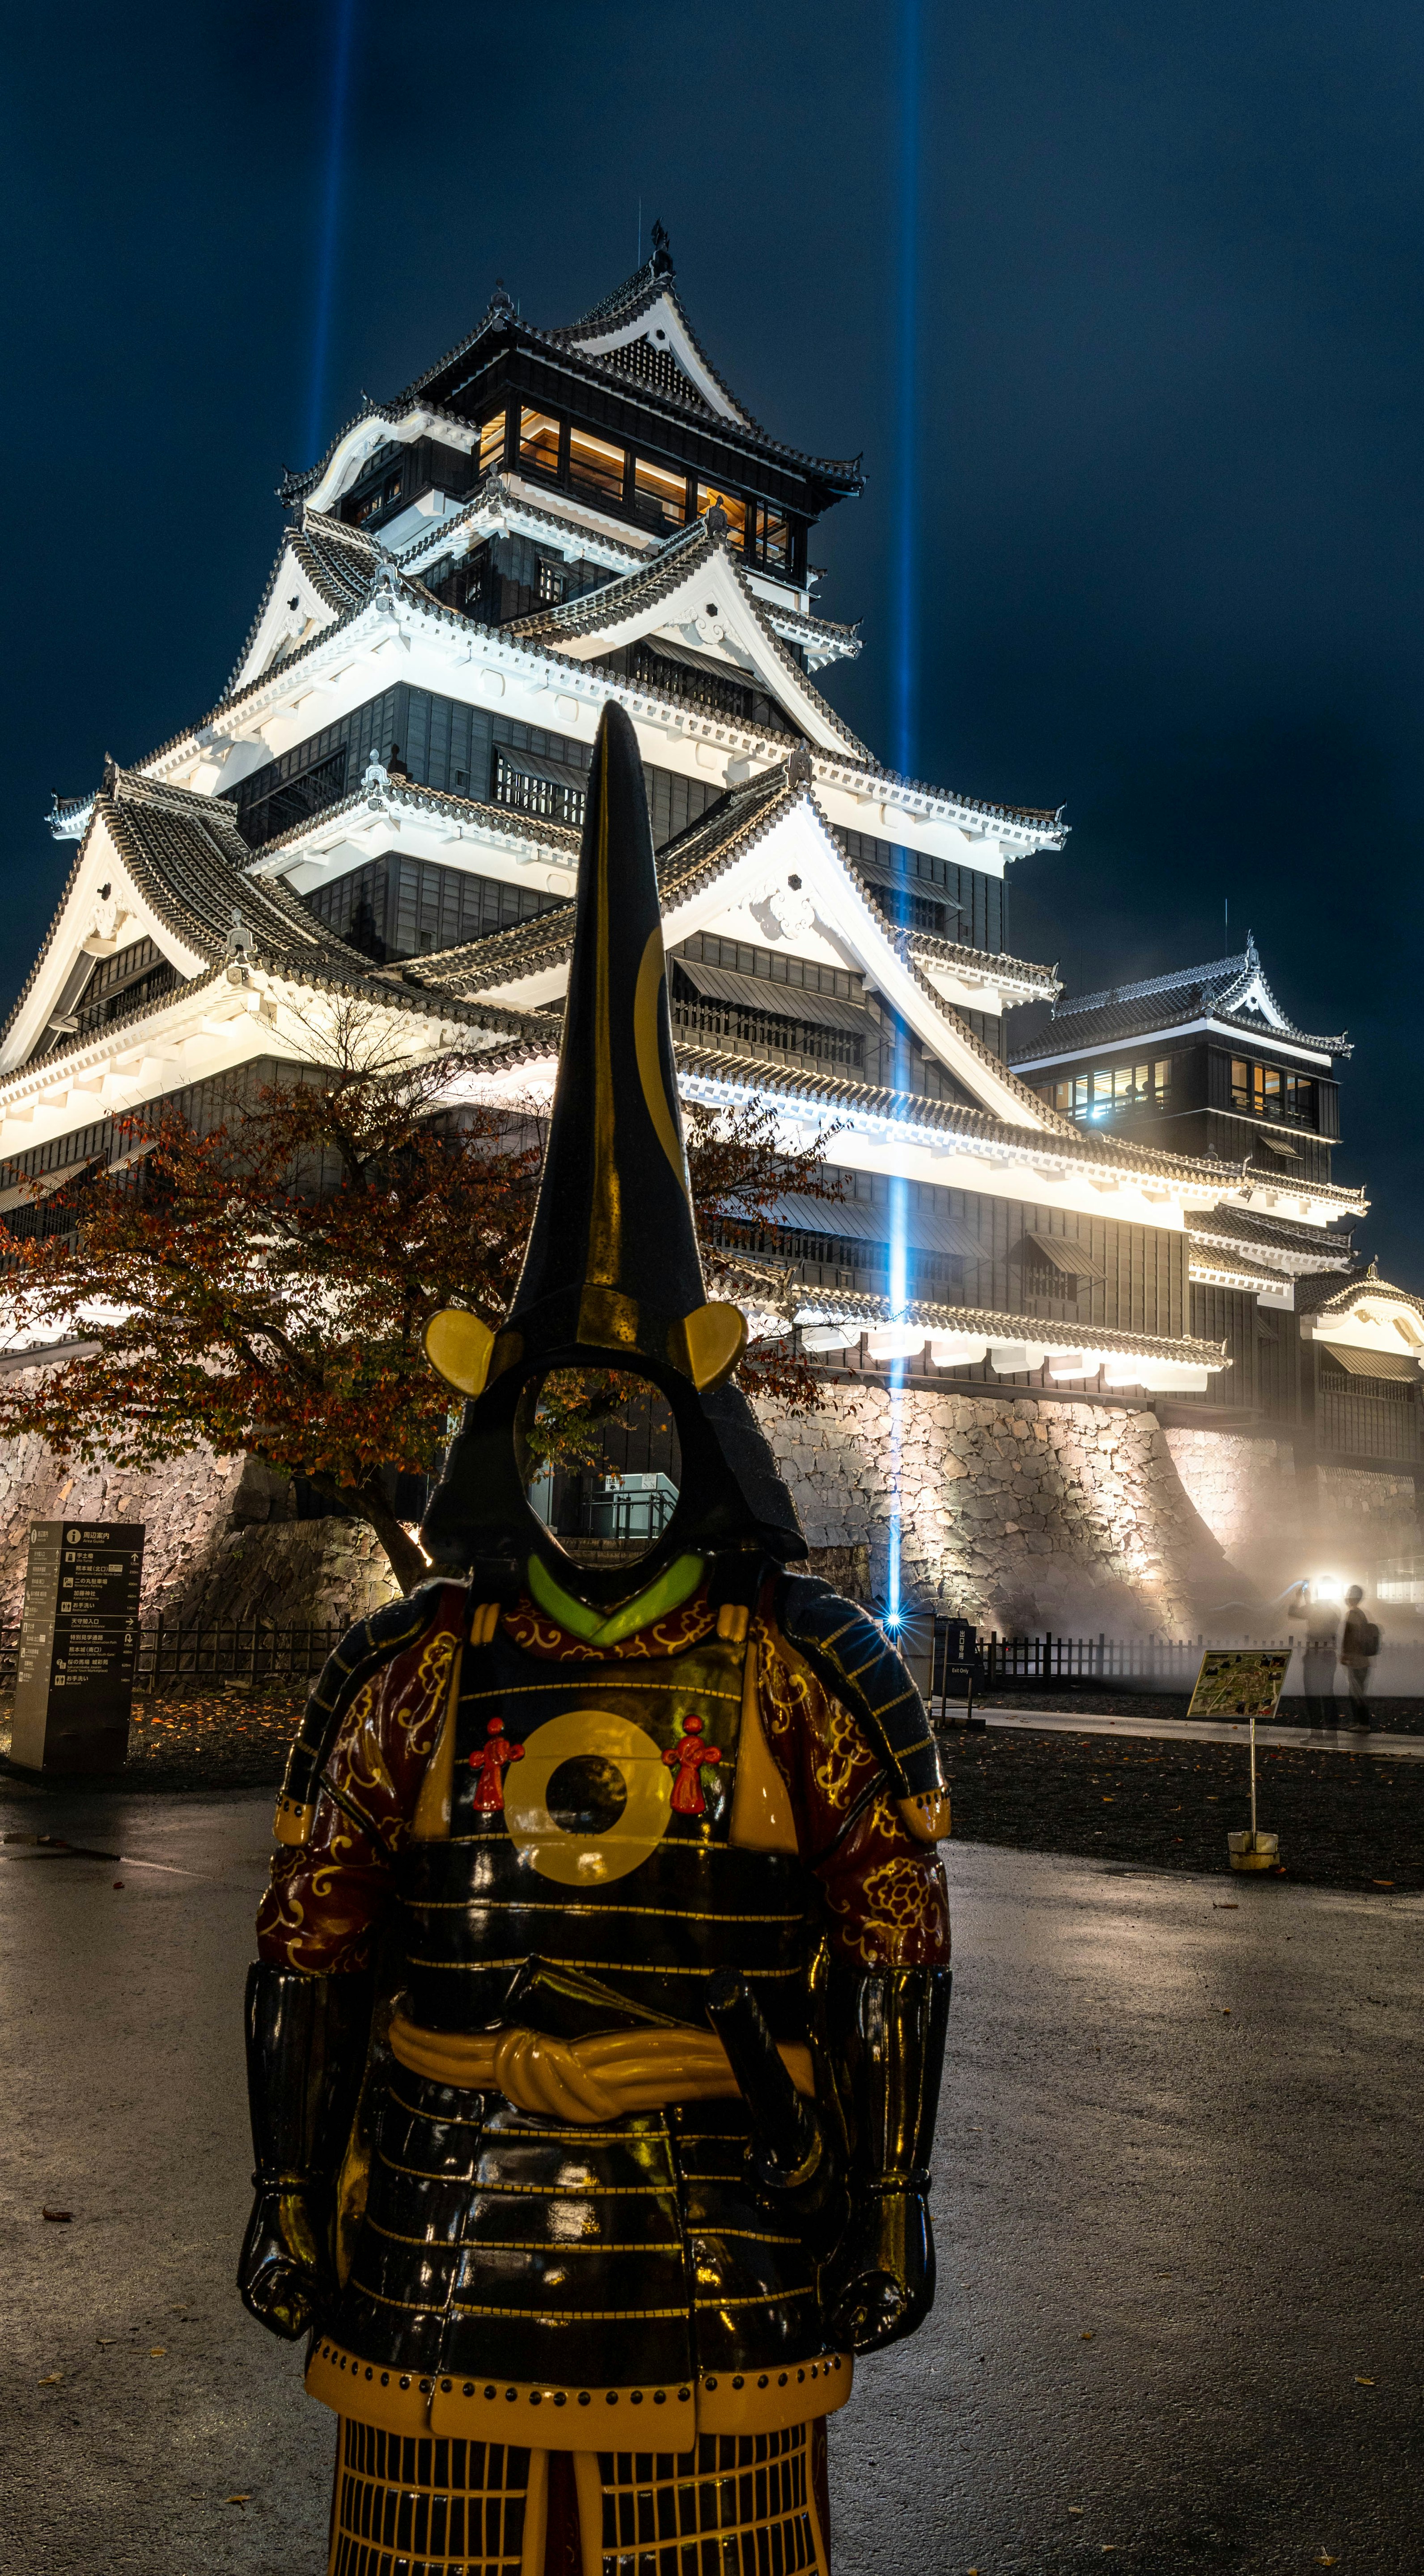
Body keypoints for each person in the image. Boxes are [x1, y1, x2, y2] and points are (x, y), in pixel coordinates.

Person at [236, 704, 951, 2574]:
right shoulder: (411, 1670)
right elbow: (313, 1943)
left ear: (702, 1430)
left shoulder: (804, 1664)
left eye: (629, 1428)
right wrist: (286, 2187)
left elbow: (890, 1950)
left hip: (717, 2209)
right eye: (558, 1427)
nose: (594, 1464)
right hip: (441, 2223)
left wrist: (888, 2201)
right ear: (503, 1429)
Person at [1287, 1582, 1341, 1728]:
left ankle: (1316, 1724)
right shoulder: (1335, 1610)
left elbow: (1293, 1612)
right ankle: (1331, 1722)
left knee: (1312, 1691)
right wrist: (1308, 1601)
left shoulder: (1314, 1609)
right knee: (1327, 1690)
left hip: (1315, 1654)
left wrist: (1300, 1598)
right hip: (1328, 1655)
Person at [1339, 1584, 1381, 1729]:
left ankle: (1363, 1723)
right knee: (1358, 1691)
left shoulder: (1352, 1614)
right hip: (1364, 1660)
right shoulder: (1362, 1614)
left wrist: (1344, 1654)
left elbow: (1348, 1636)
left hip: (1355, 1659)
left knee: (1356, 1693)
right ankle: (1359, 1722)